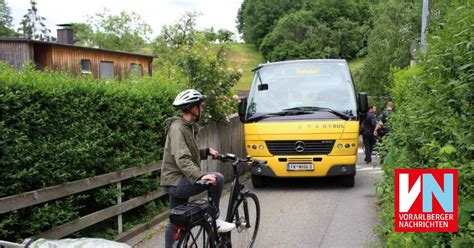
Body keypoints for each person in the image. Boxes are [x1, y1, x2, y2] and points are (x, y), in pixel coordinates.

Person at [160, 89, 235, 248]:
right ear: (194, 108)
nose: (202, 108)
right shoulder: (178, 129)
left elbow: (189, 152)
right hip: (177, 181)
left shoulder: (187, 126)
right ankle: (214, 218)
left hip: (174, 180)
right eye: (201, 106)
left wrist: (206, 152)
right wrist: (200, 176)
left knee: (175, 219)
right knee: (218, 179)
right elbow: (182, 158)